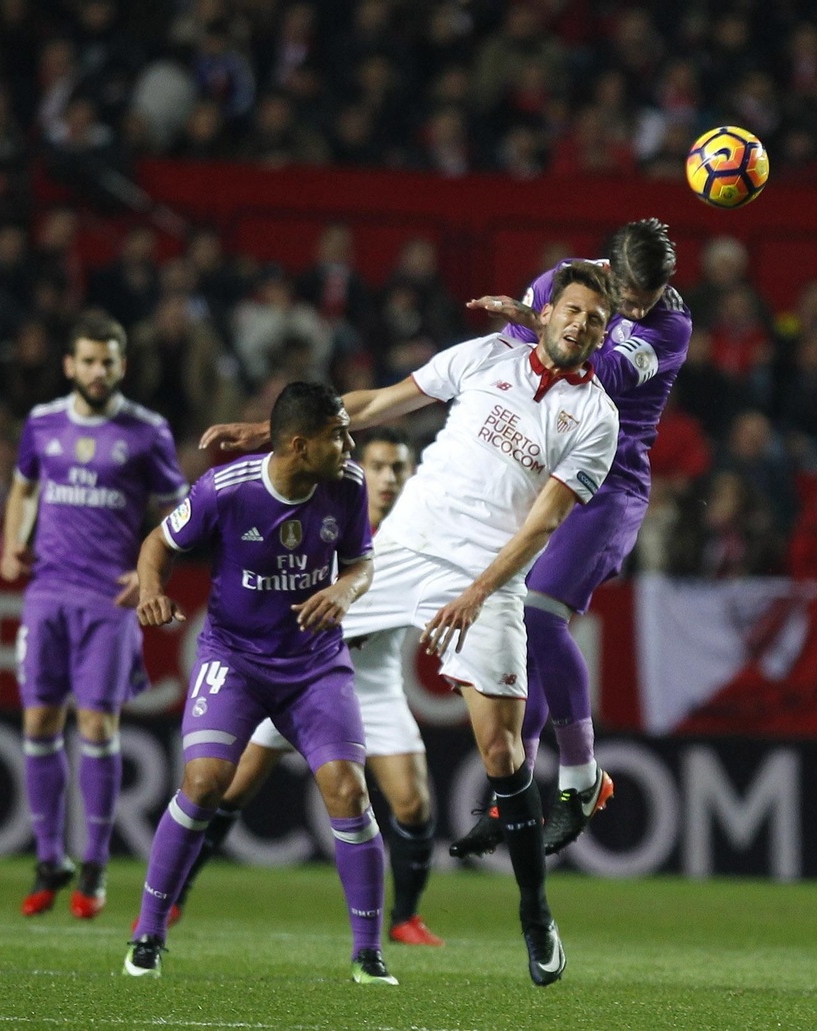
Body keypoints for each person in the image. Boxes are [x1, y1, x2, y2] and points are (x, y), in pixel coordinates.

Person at [202, 259, 622, 985]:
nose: (580, 324)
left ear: (602, 334)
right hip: (399, 551)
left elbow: (543, 524)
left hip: (486, 578)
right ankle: (209, 789)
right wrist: (267, 429)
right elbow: (375, 403)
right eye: (573, 309)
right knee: (286, 638)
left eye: (596, 319)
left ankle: (535, 914)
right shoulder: (486, 356)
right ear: (548, 311)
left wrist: (478, 591)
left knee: (503, 753)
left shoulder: (596, 417)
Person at [124, 383, 392, 984]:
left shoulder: (347, 485)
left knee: (349, 791)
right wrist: (151, 591)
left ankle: (368, 954)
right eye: (339, 435)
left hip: (314, 663)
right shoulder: (226, 490)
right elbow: (157, 544)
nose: (350, 446)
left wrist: (344, 589)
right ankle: (148, 934)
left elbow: (361, 563)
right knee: (203, 782)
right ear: (299, 445)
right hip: (236, 659)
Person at [459, 218, 692, 856]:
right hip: (543, 473)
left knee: (539, 616)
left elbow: (604, 375)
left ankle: (582, 777)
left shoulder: (670, 325)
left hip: (609, 487)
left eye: (649, 298)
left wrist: (539, 326)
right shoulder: (560, 286)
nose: (639, 310)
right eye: (631, 298)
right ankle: (513, 796)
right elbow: (513, 363)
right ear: (610, 275)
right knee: (521, 637)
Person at [174, 428, 444, 947]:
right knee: (227, 788)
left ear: (413, 475)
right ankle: (176, 892)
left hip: (374, 683)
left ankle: (405, 918)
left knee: (412, 803)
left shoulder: (421, 541)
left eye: (399, 468)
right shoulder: (329, 514)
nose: (388, 478)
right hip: (299, 673)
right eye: (379, 466)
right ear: (361, 469)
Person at [0, 311, 187, 920]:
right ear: (69, 365)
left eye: (107, 361)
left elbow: (180, 510)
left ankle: (96, 863)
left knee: (97, 727)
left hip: (108, 600)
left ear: (121, 365)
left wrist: (151, 574)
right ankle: (48, 858)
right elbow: (24, 487)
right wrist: (12, 542)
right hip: (48, 592)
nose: (97, 371)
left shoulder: (147, 431)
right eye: (87, 361)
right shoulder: (42, 422)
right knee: (38, 721)